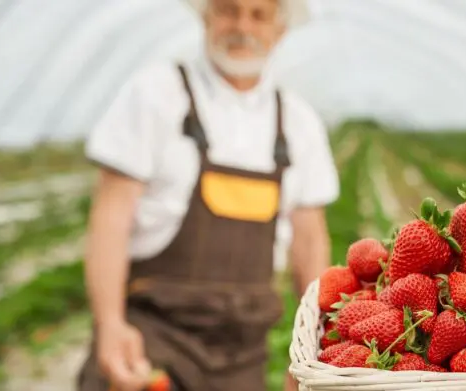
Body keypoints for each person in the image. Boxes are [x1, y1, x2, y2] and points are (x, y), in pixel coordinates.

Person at [75, 0, 339, 390]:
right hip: (151, 339)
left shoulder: (298, 123)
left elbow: (310, 241)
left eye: (258, 14)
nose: (242, 26)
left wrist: (311, 348)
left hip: (243, 357)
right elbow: (111, 218)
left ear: (279, 30)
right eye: (228, 10)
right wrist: (110, 325)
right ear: (206, 16)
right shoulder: (156, 95)